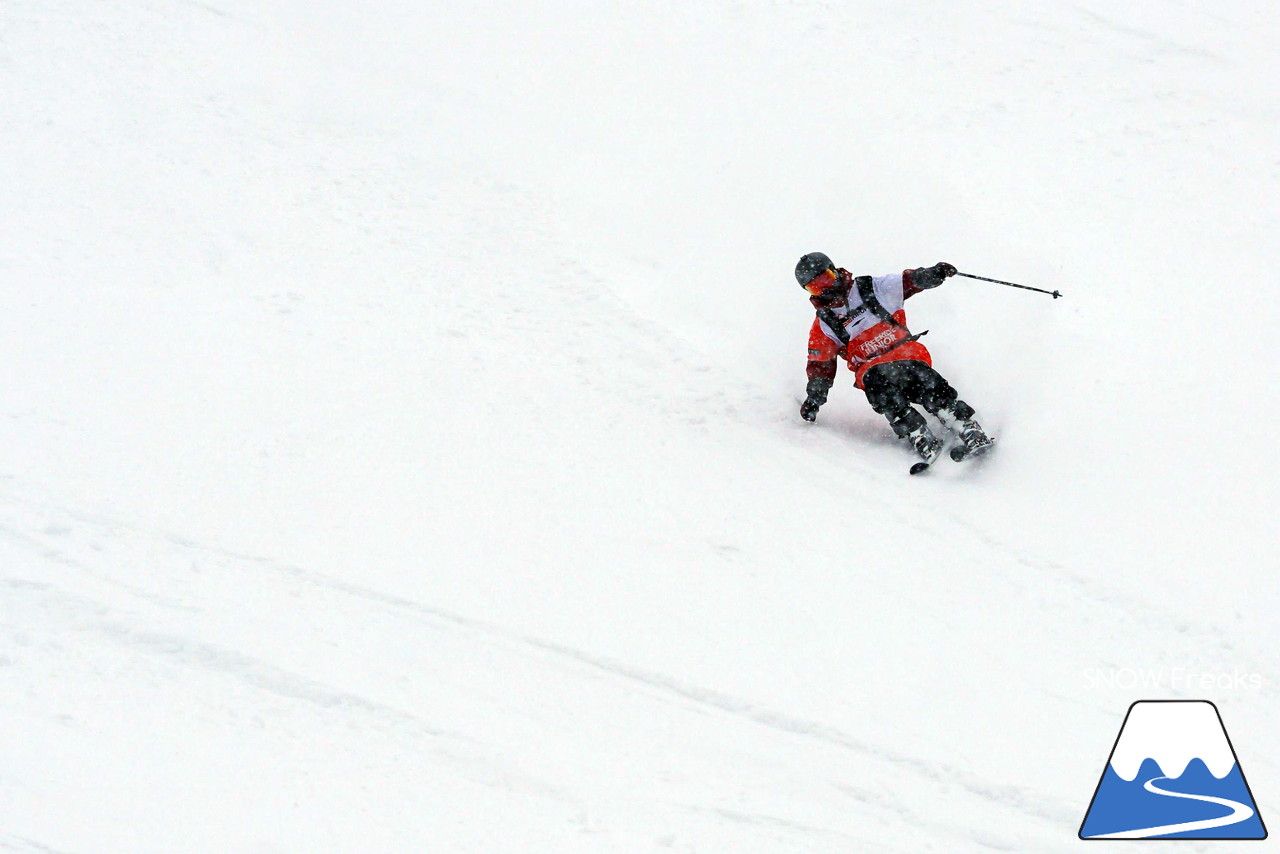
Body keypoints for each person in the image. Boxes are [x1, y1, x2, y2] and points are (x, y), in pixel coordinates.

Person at [795, 251, 993, 464]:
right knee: (881, 389)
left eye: (826, 279)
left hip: (904, 354)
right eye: (815, 287)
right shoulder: (825, 323)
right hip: (872, 369)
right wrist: (815, 398)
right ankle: (919, 435)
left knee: (924, 382)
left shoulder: (871, 288)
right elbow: (820, 364)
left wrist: (932, 274)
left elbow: (908, 281)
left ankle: (965, 426)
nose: (825, 289)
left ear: (834, 271)